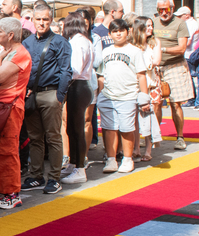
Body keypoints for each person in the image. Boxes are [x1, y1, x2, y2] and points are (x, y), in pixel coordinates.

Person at [20, 1, 72, 194]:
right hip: (32, 94)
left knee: (53, 137)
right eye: (38, 19)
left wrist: (59, 96)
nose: (42, 23)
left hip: (51, 93)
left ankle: (55, 178)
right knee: (35, 137)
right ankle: (36, 176)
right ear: (32, 20)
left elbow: (66, 70)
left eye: (45, 20)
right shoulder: (27, 43)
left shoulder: (60, 42)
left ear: (51, 21)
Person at [0, 18, 31, 210]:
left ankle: (11, 193)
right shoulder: (9, 52)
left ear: (10, 35)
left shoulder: (19, 53)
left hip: (10, 107)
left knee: (7, 151)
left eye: (0, 31)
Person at [96, 18, 150, 174]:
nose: (118, 34)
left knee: (127, 128)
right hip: (107, 95)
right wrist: (100, 94)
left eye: (121, 31)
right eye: (114, 31)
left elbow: (141, 75)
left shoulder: (135, 51)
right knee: (108, 128)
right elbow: (101, 75)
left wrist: (144, 97)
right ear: (110, 34)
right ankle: (111, 159)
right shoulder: (105, 51)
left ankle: (127, 158)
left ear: (128, 31)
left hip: (127, 95)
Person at [151, 0, 192, 150]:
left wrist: (161, 50)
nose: (163, 13)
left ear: (172, 8)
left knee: (176, 103)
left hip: (174, 66)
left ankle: (180, 137)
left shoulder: (180, 23)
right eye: (160, 9)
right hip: (156, 67)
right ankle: (155, 136)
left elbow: (182, 48)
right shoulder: (153, 22)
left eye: (166, 9)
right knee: (155, 104)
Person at [62, 14, 94, 185]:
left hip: (78, 85)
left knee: (77, 128)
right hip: (80, 86)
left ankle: (80, 168)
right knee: (72, 128)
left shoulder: (78, 41)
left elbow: (76, 68)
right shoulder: (83, 40)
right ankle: (74, 163)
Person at [130, 17, 162, 161]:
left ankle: (148, 149)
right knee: (135, 119)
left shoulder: (155, 42)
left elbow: (156, 61)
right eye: (147, 26)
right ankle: (136, 148)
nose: (150, 28)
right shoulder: (132, 45)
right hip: (135, 85)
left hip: (151, 84)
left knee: (150, 117)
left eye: (151, 25)